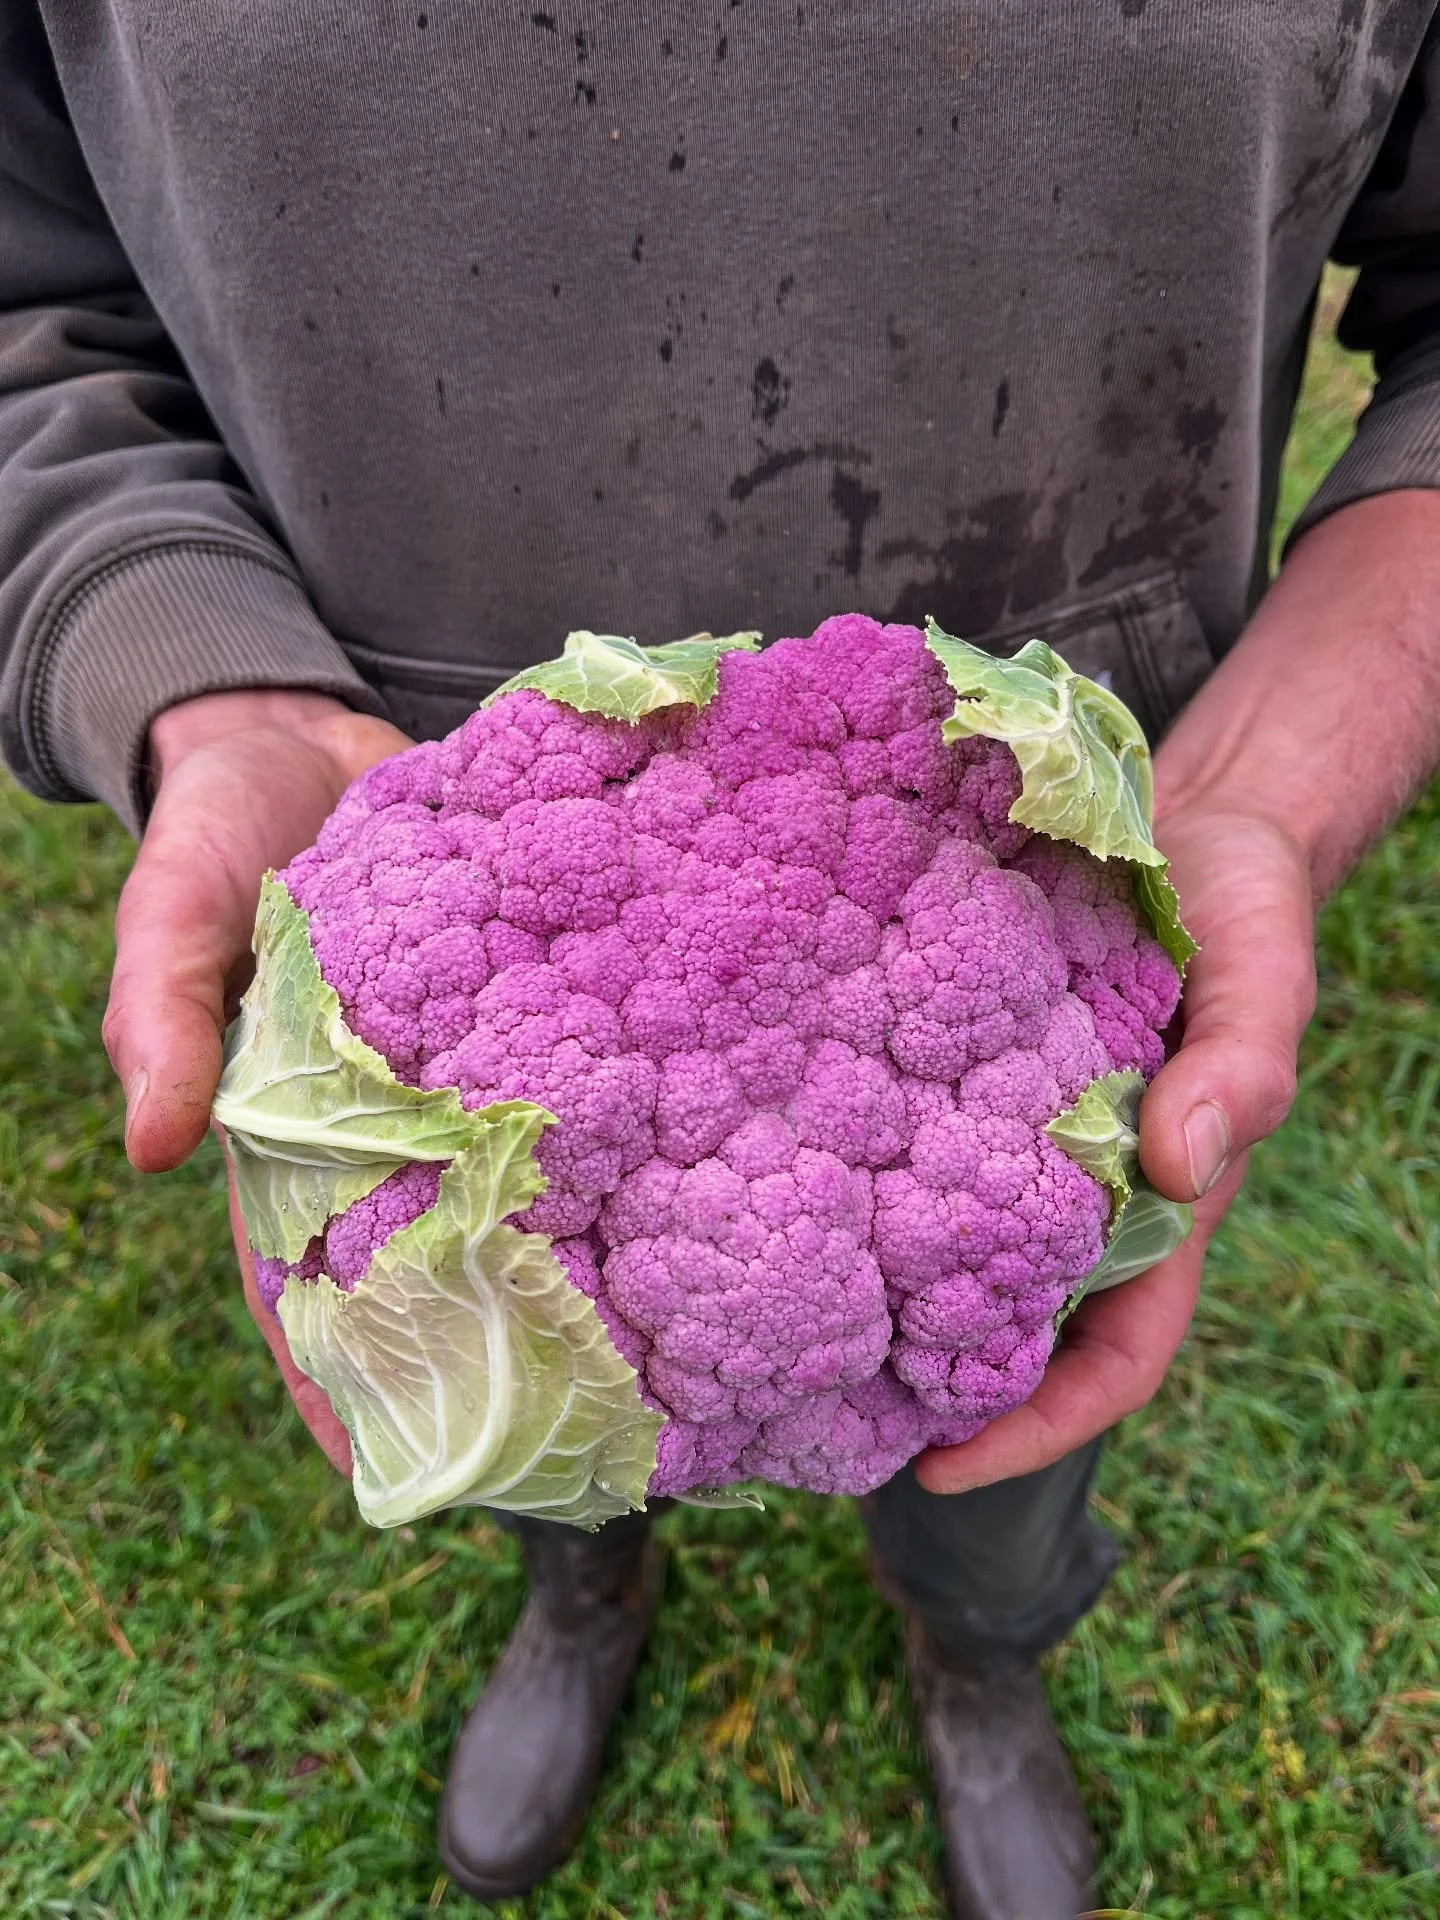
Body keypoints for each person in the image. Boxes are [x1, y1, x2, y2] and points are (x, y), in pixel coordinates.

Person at [3, 7, 1439, 1915]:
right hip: (411, 842)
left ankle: (982, 1651)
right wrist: (197, 672)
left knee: (1005, 1436)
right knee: (548, 1408)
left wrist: (1264, 789)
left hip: (1070, 904)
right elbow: (28, 301)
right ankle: (580, 1584)